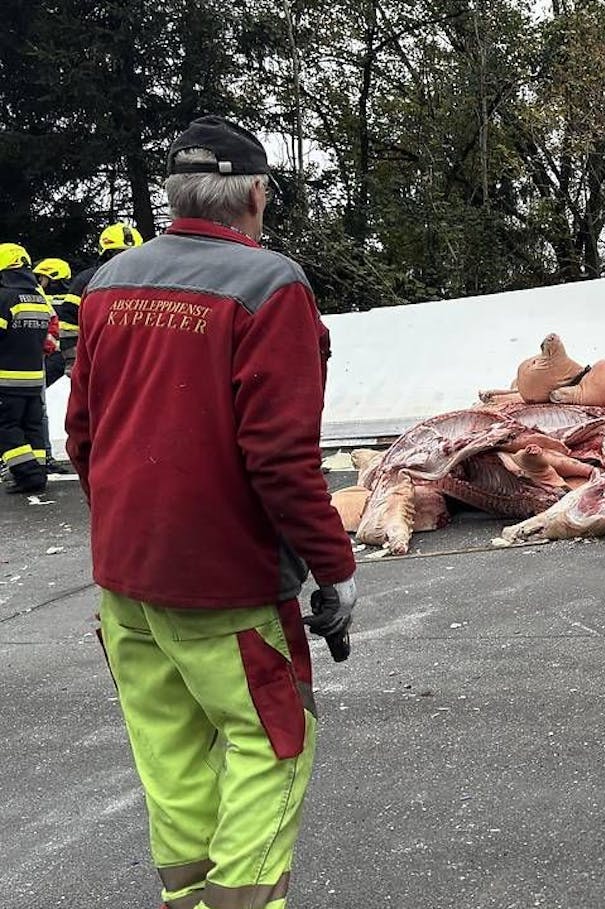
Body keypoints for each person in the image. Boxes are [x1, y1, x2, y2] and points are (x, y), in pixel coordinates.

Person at [64, 116, 357, 909]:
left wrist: (133, 526)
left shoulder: (110, 282)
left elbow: (82, 435)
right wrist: (334, 568)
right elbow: (281, 459)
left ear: (174, 195)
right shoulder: (271, 287)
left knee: (172, 755)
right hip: (223, 589)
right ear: (256, 195)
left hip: (125, 585)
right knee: (274, 744)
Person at [0, 242, 54, 495]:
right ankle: (38, 472)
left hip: (5, 378)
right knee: (31, 426)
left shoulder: (4, 297)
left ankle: (29, 474)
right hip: (33, 378)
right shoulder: (38, 298)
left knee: (6, 427)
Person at [33, 257, 76, 472]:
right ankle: (44, 456)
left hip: (40, 358)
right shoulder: (72, 296)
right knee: (38, 410)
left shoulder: (36, 297)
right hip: (55, 356)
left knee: (30, 410)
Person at [68, 222, 144, 300]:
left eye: (134, 254)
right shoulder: (86, 280)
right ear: (108, 254)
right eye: (122, 253)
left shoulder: (86, 279)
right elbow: (70, 310)